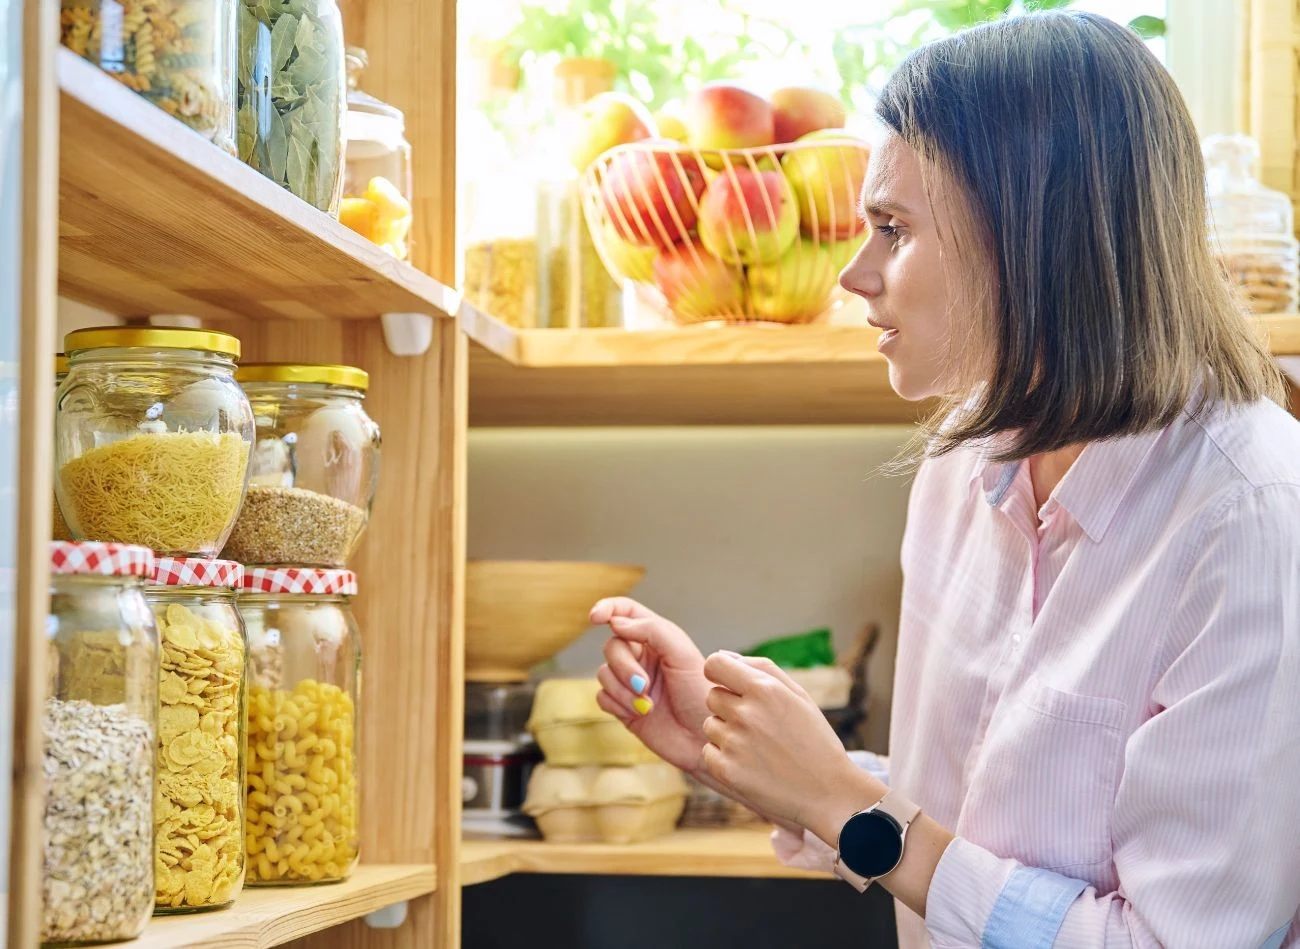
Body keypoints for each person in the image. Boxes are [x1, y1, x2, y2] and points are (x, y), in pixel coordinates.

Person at [591, 11, 1300, 949]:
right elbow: (973, 817)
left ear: (1037, 237)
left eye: (893, 228)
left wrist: (844, 802)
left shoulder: (1251, 516)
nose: (854, 274)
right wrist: (758, 756)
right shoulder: (964, 463)